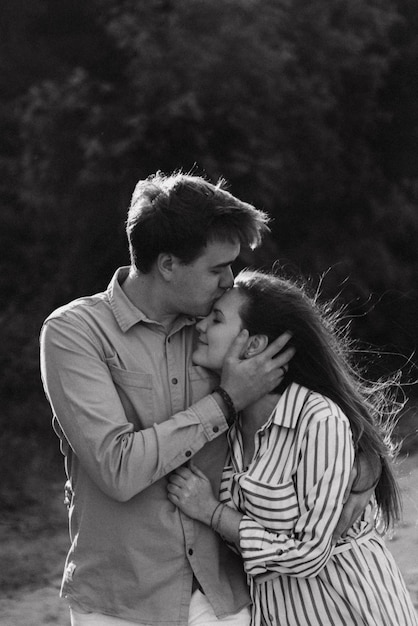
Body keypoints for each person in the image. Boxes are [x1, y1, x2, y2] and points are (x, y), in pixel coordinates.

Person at [40, 172, 374, 626]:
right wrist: (225, 402)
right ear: (168, 264)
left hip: (226, 592)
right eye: (216, 268)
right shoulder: (73, 334)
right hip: (121, 601)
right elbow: (116, 468)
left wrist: (365, 465)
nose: (229, 280)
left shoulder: (217, 330)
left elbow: (318, 394)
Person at [167, 269, 418, 626]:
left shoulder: (317, 419)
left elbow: (310, 554)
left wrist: (212, 513)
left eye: (217, 319)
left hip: (351, 609)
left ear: (252, 345)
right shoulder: (222, 421)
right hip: (277, 614)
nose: (200, 327)